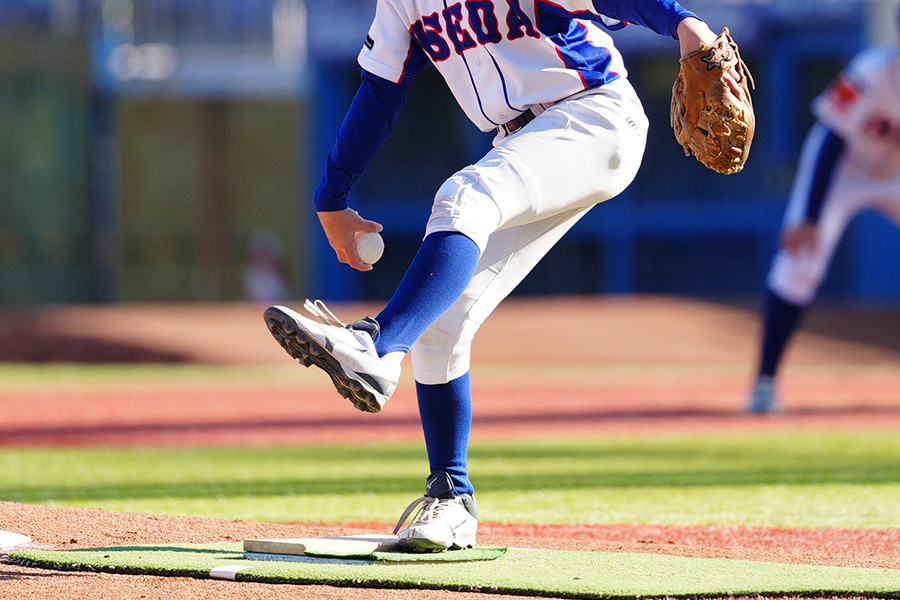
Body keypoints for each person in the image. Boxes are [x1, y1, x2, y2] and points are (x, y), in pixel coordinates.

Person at [265, 0, 745, 551]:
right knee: (442, 328)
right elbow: (380, 92)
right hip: (520, 140)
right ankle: (451, 501)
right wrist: (332, 197)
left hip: (592, 117)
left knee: (464, 196)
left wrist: (684, 22)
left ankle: (375, 346)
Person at [747, 10, 900, 414]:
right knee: (800, 262)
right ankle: (765, 381)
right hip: (843, 169)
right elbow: (831, 140)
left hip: (896, 174)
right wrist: (811, 216)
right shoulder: (873, 71)